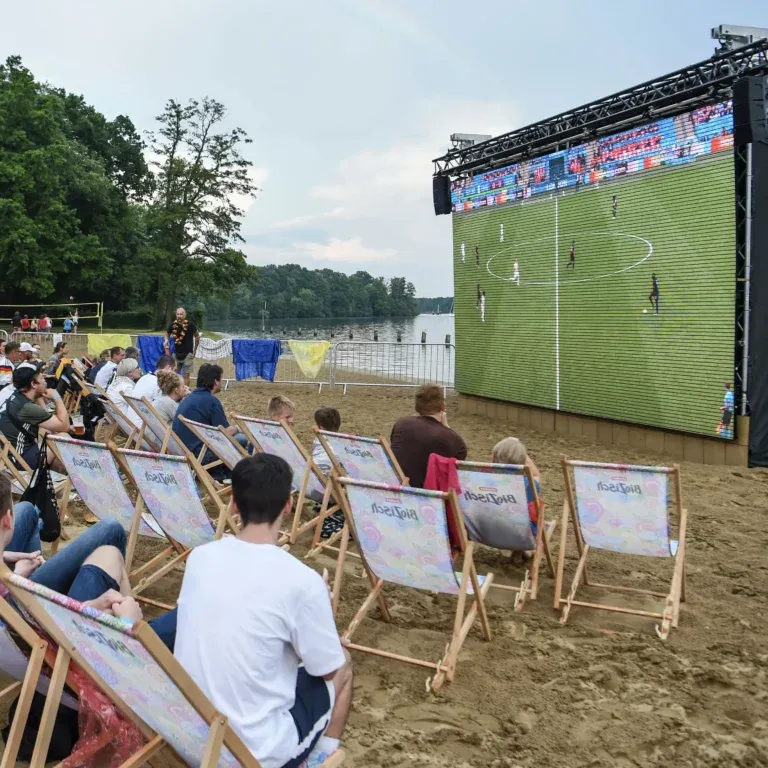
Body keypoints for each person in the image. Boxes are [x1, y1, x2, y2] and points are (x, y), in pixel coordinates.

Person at [174, 454, 353, 768]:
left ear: (233, 505)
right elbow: (326, 669)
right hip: (256, 750)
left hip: (189, 733)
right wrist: (321, 610)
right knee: (343, 663)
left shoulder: (200, 558)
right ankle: (320, 755)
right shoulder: (302, 581)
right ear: (287, 506)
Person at [0, 473, 176, 651]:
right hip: (61, 645)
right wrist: (126, 621)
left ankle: (127, 610)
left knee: (27, 509)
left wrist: (8, 564)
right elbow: (64, 633)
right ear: (7, 519)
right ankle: (133, 627)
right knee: (111, 536)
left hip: (25, 607)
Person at [390, 383, 467, 488]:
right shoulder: (452, 439)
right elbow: (458, 467)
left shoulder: (401, 424)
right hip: (430, 497)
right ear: (443, 406)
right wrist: (447, 427)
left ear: (417, 406)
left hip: (398, 488)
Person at [0, 366, 75, 469]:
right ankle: (82, 476)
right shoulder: (26, 407)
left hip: (9, 458)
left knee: (49, 431)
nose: (45, 382)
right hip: (20, 462)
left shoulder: (16, 398)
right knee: (64, 437)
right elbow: (65, 426)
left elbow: (46, 422)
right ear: (33, 384)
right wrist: (57, 397)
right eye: (42, 379)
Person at [172, 363, 248, 459]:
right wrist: (239, 428)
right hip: (200, 454)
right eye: (220, 379)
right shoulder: (211, 401)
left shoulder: (189, 398)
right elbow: (225, 432)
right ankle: (220, 471)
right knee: (241, 438)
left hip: (182, 450)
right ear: (216, 382)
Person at [489, 437, 542, 564]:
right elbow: (536, 474)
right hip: (519, 536)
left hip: (486, 531)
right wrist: (520, 451)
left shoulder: (482, 480)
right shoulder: (528, 484)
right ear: (523, 461)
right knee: (523, 516)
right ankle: (519, 553)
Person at [164, 307, 199, 386]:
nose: (179, 316)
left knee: (186, 376)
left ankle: (185, 394)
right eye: (178, 314)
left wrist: (195, 350)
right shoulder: (173, 325)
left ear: (185, 315)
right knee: (173, 375)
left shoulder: (191, 325)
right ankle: (175, 392)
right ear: (176, 315)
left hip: (188, 354)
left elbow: (197, 336)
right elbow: (167, 334)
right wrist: (166, 340)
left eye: (181, 314)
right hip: (176, 353)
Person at [106, 359, 143, 428]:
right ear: (129, 372)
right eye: (137, 368)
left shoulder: (116, 383)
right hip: (125, 424)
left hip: (116, 419)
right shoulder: (126, 387)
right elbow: (137, 405)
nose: (140, 369)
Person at [311, 407, 340, 477]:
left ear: (321, 426)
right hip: (331, 479)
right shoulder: (341, 445)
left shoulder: (317, 440)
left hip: (315, 475)